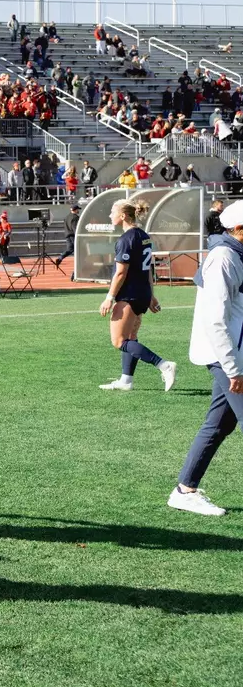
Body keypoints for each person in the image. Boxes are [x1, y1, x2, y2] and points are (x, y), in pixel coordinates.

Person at [172, 199, 243, 516]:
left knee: (219, 424)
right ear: (238, 230)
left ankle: (184, 490)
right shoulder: (224, 258)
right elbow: (215, 320)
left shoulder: (234, 255)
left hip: (232, 354)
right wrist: (233, 368)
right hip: (224, 356)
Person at [98, 200, 177, 392]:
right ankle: (126, 380)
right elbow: (148, 269)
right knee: (131, 337)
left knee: (119, 341)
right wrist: (151, 295)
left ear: (123, 215)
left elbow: (120, 273)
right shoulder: (144, 236)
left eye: (112, 212)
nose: (110, 215)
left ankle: (164, 365)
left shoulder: (126, 239)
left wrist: (109, 297)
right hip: (142, 293)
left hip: (129, 295)